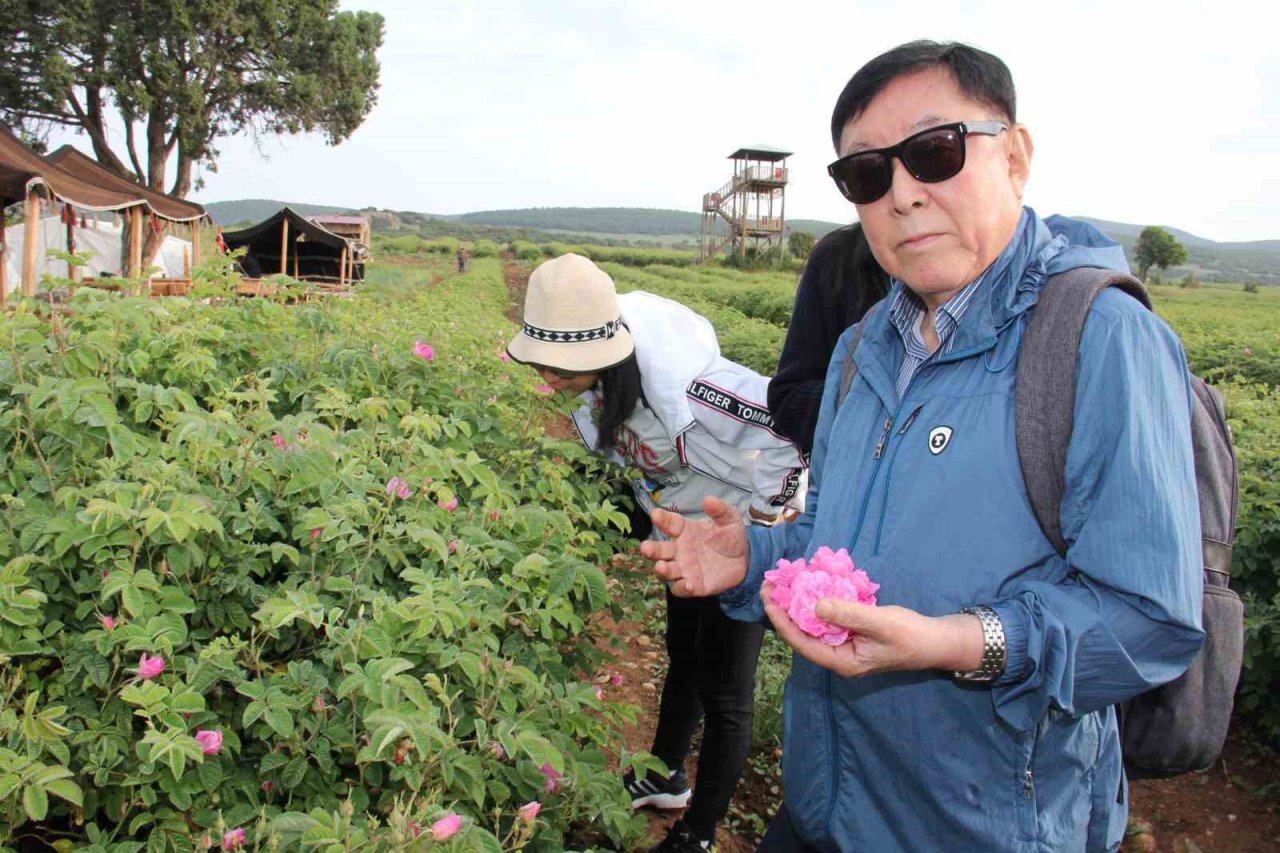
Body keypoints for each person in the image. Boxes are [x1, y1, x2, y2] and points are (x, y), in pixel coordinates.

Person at [641, 40, 1204, 852]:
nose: (902, 194)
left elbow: (1149, 619)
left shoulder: (1100, 339)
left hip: (982, 826)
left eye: (934, 152)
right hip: (825, 804)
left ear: (1014, 155)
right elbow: (838, 541)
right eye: (867, 174)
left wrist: (958, 642)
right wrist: (754, 559)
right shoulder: (861, 347)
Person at [507, 253, 806, 853]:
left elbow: (793, 434)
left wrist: (756, 537)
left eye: (561, 368)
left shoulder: (696, 390)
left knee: (727, 691)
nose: (549, 377)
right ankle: (665, 773)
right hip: (684, 533)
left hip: (734, 538)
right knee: (683, 655)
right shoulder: (605, 384)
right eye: (545, 363)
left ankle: (698, 833)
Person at [767, 223, 890, 456]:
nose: (905, 197)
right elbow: (788, 398)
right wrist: (867, 405)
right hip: (850, 479)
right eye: (865, 185)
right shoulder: (838, 258)